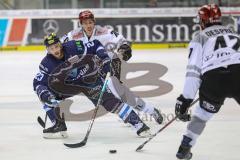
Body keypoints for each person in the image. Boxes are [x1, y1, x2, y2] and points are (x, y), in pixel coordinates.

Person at [33, 33, 162, 139]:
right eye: (51, 48)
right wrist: (46, 95)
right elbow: (38, 83)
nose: (55, 50)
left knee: (110, 102)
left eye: (56, 46)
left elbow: (95, 45)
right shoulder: (46, 63)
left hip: (89, 77)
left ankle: (139, 125)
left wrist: (105, 59)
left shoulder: (73, 46)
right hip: (71, 85)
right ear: (47, 50)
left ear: (60, 44)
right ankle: (58, 124)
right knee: (48, 97)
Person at [61, 10, 163, 124]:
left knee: (119, 92)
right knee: (113, 97)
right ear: (81, 24)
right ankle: (132, 114)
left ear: (94, 22)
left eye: (90, 22)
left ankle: (150, 110)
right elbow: (59, 47)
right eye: (85, 23)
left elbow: (123, 41)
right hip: (90, 70)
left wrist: (123, 48)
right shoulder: (73, 35)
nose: (88, 25)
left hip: (109, 64)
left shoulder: (105, 32)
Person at [175, 4, 240, 159]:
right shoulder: (235, 34)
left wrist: (186, 98)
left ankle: (185, 147)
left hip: (214, 80)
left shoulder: (200, 37)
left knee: (202, 115)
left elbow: (193, 71)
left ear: (202, 21)